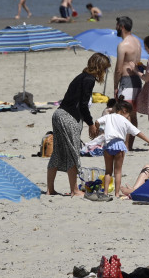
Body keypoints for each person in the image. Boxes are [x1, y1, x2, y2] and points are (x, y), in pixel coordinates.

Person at [46, 53, 108, 197]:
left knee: (58, 153)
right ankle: (74, 190)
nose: (105, 72)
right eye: (104, 69)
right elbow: (83, 106)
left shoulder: (81, 76)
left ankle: (50, 190)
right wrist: (91, 124)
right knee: (73, 153)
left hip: (58, 114)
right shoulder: (89, 79)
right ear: (100, 67)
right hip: (68, 118)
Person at [95, 100, 149, 199]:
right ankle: (117, 194)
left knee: (108, 171)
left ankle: (105, 192)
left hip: (108, 145)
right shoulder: (125, 121)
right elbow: (138, 133)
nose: (128, 117)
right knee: (118, 171)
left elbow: (97, 121)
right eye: (128, 115)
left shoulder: (108, 116)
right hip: (119, 145)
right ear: (124, 111)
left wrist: (99, 129)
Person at [114, 16, 142, 150]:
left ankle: (125, 145)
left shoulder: (122, 45)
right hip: (137, 80)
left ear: (122, 27)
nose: (116, 28)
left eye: (117, 26)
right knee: (133, 114)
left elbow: (119, 69)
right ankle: (129, 145)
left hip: (126, 81)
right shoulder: (137, 42)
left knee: (124, 114)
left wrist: (115, 86)